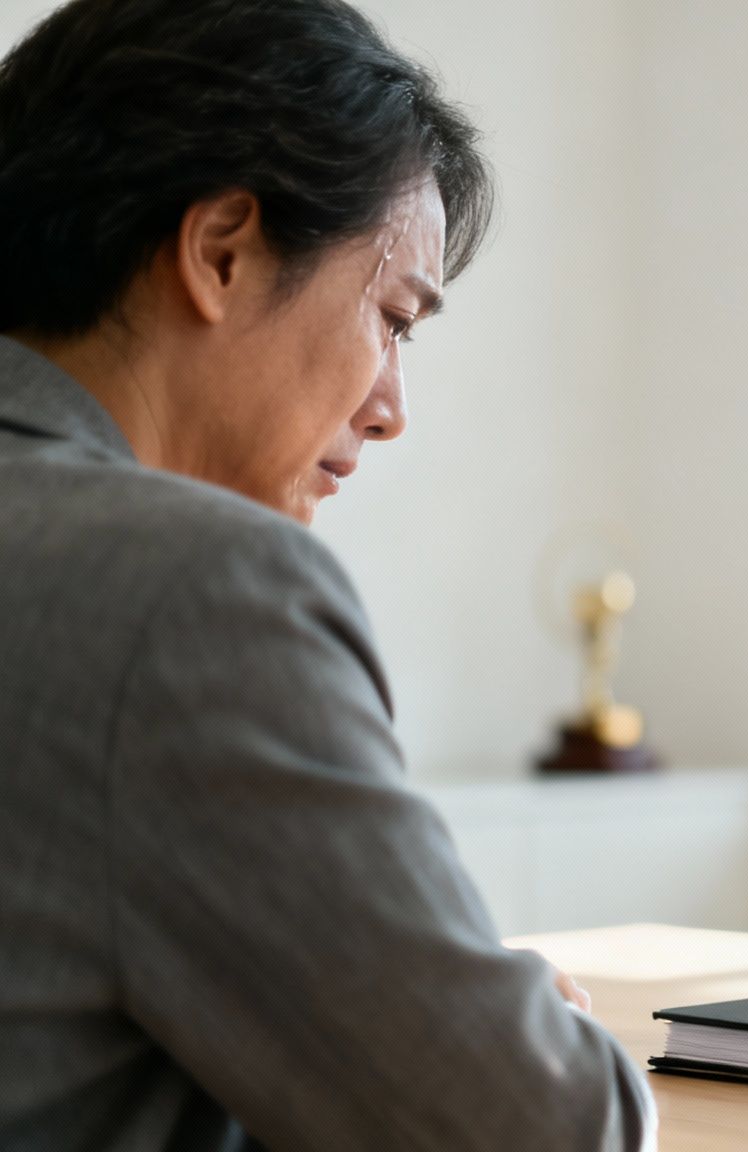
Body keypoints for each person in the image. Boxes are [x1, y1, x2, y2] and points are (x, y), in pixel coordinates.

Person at [0, 1, 651, 1148]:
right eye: (395, 317)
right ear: (222, 252)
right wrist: (494, 1030)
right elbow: (536, 1129)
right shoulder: (191, 595)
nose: (392, 409)